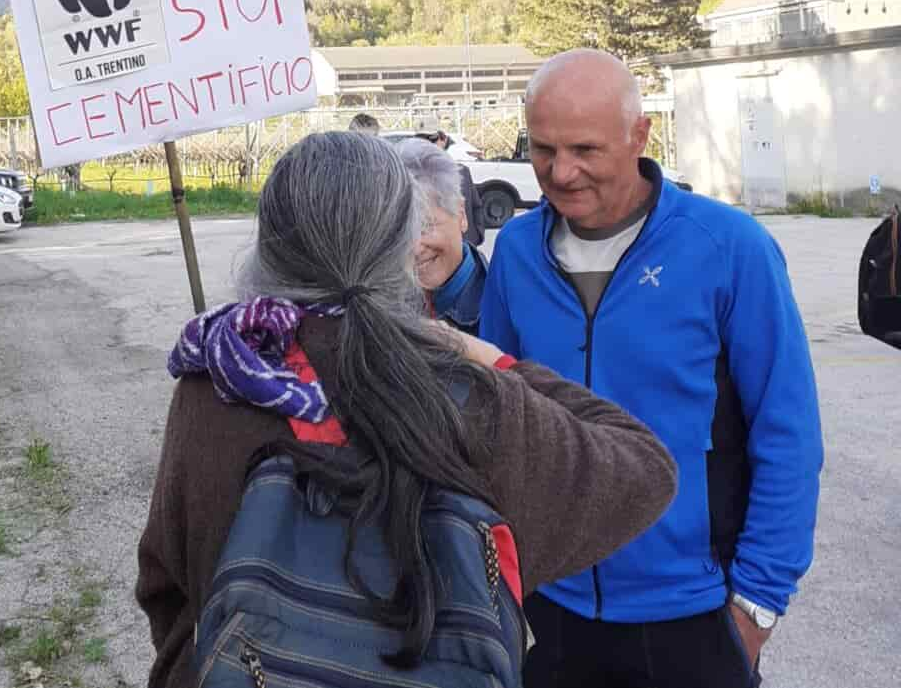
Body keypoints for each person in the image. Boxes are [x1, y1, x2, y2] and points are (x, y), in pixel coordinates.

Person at [137, 131, 678, 687]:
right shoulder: (474, 397)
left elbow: (165, 587)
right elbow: (646, 469)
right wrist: (491, 359)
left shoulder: (219, 384)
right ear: (402, 246)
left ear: (269, 247)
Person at [480, 49, 823, 688]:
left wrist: (755, 607)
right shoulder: (516, 254)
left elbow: (789, 431)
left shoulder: (728, 248)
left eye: (585, 149)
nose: (561, 172)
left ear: (639, 136)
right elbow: (501, 421)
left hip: (696, 613)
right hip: (556, 609)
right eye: (543, 149)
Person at [398, 137, 487, 332]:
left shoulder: (502, 309)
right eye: (401, 232)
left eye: (425, 226)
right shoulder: (383, 307)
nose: (414, 247)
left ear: (461, 215)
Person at [421, 128, 485, 247]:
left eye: (433, 139)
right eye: (423, 139)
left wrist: (478, 235)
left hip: (466, 248)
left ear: (443, 140)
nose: (429, 144)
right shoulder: (411, 178)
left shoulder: (462, 171)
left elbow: (476, 206)